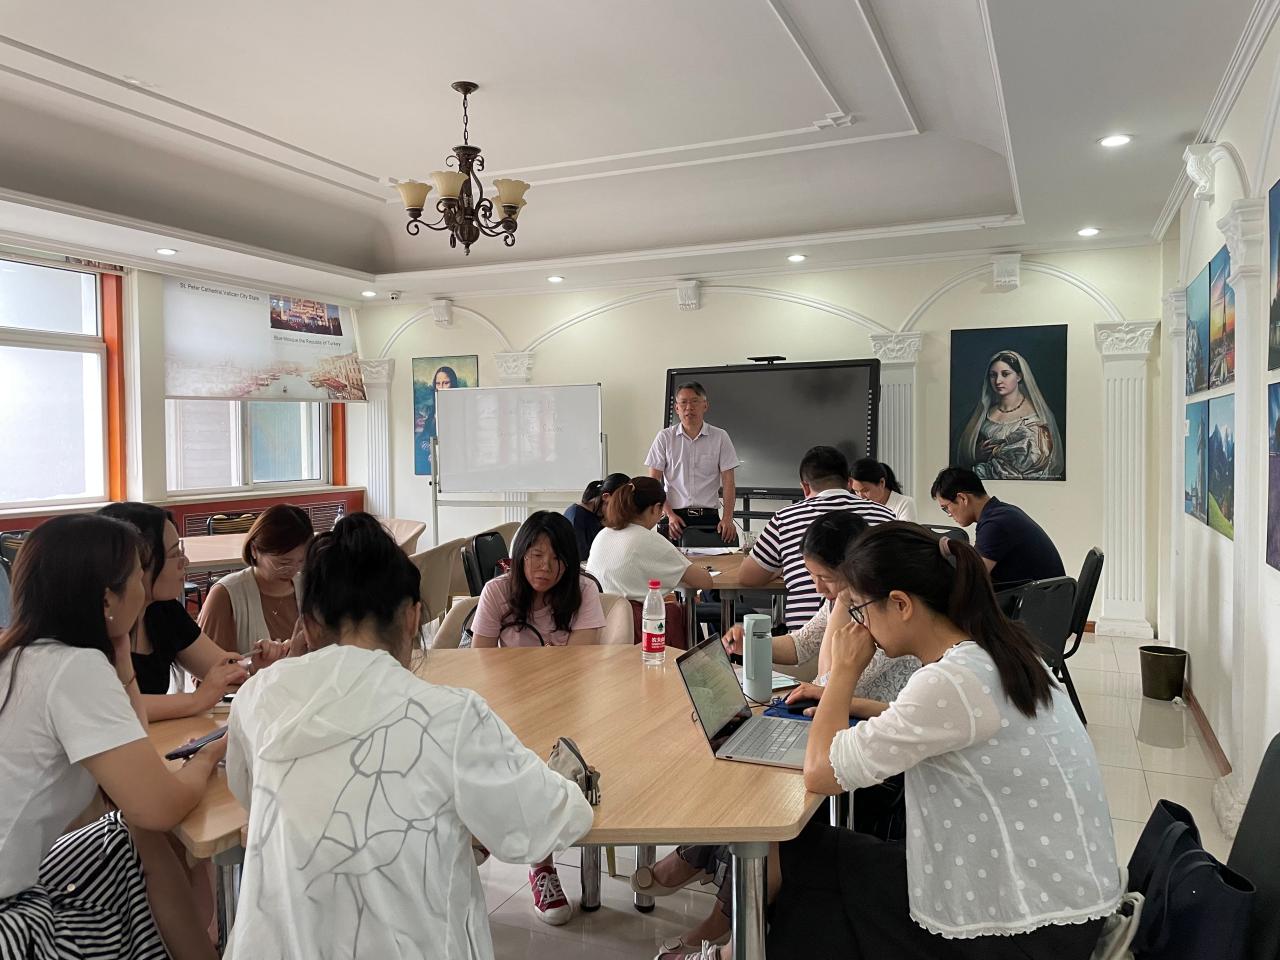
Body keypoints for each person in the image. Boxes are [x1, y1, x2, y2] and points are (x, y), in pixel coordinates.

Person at [224, 513, 593, 957]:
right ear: (413, 617)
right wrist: (569, 785)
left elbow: (249, 793)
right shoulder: (449, 717)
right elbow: (541, 823)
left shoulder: (258, 697)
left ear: (309, 624)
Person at [752, 522, 1119, 960]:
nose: (859, 625)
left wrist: (843, 674)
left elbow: (820, 773)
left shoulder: (950, 681)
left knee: (805, 866)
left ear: (901, 604)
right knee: (819, 871)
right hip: (1063, 901)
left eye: (860, 611)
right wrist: (853, 702)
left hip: (1026, 929)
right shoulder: (997, 649)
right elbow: (942, 720)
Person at [643, 512, 920, 957]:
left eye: (824, 578)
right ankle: (707, 880)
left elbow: (833, 684)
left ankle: (719, 909)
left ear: (853, 569)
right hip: (837, 725)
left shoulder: (876, 617)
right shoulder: (846, 603)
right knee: (744, 760)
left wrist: (841, 616)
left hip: (865, 756)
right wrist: (751, 642)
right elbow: (802, 645)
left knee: (761, 789)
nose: (817, 588)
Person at [0, 514, 231, 960]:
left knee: (131, 836)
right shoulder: (73, 669)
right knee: (143, 836)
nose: (144, 587)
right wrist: (205, 759)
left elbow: (136, 764)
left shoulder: (21, 653)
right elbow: (158, 807)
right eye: (138, 576)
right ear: (108, 597)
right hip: (10, 923)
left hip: (17, 883)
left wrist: (122, 661)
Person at [97, 503, 254, 721]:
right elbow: (112, 706)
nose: (185, 562)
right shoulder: (91, 630)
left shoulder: (162, 610)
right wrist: (197, 699)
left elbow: (221, 669)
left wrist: (255, 665)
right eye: (174, 554)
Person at [738, 446, 893, 631]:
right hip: (873, 631)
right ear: (850, 483)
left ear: (805, 487)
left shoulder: (786, 518)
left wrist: (784, 567)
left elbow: (748, 577)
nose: (819, 587)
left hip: (805, 630)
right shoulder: (886, 515)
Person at [586, 477, 714, 647]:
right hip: (635, 629)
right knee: (681, 612)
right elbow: (705, 581)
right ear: (656, 508)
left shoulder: (604, 534)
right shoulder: (649, 539)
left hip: (598, 627)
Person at [471, 511, 606, 648]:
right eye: (537, 555)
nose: (546, 567)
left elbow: (579, 656)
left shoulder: (584, 590)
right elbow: (482, 656)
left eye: (557, 558)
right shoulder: (496, 591)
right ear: (521, 554)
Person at [198, 504, 313, 656]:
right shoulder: (226, 595)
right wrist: (254, 666)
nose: (293, 570)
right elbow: (208, 667)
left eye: (301, 561)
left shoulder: (309, 588)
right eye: (283, 563)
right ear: (254, 550)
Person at [930, 467, 1065, 585]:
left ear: (962, 499)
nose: (949, 514)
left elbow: (972, 581)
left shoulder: (995, 523)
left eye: (946, 508)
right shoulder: (1003, 512)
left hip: (1039, 601)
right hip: (1050, 597)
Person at [646, 381, 738, 543]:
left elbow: (728, 482)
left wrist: (728, 518)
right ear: (677, 408)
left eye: (695, 401)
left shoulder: (720, 437)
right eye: (683, 402)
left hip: (709, 519)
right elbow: (653, 482)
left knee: (715, 559)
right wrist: (669, 514)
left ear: (705, 405)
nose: (689, 407)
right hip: (674, 519)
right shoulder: (664, 438)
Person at [956, 350, 1064, 481]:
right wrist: (976, 455)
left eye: (1005, 374)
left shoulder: (1035, 417)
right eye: (993, 375)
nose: (998, 381)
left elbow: (1036, 462)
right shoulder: (983, 413)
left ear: (1019, 376)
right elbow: (965, 456)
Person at [563, 472, 629, 559]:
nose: (622, 510)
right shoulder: (576, 517)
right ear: (606, 497)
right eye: (621, 504)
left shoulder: (600, 514)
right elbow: (581, 558)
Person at [850, 458, 916, 520]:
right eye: (856, 491)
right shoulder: (856, 507)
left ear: (882, 482)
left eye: (865, 491)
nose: (861, 497)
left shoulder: (904, 504)